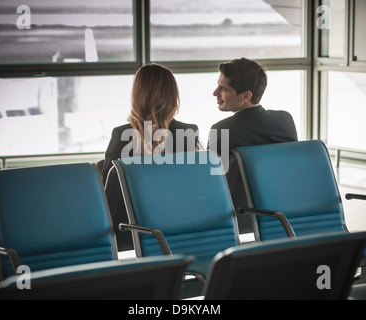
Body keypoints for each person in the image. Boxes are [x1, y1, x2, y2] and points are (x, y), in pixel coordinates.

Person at [99, 63, 199, 251]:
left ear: (138, 96)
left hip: (129, 233)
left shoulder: (122, 135)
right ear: (173, 96)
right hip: (178, 228)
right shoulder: (189, 132)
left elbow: (107, 194)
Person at [207, 58, 298, 234]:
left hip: (239, 219)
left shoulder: (221, 129)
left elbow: (214, 184)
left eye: (223, 89)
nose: (215, 92)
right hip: (284, 213)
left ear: (246, 96)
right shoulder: (285, 120)